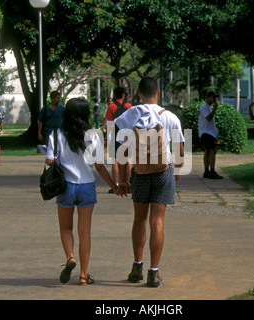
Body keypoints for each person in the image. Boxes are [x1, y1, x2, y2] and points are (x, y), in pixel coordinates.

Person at [45, 98, 126, 286]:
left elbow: (50, 161)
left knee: (66, 228)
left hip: (65, 186)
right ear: (85, 115)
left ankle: (70, 257)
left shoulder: (56, 134)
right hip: (87, 186)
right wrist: (114, 187)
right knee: (85, 232)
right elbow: (99, 166)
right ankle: (83, 275)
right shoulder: (94, 136)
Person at [115, 77, 185, 287]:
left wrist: (123, 180)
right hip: (163, 172)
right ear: (159, 92)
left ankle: (137, 267)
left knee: (139, 220)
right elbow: (181, 151)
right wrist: (177, 173)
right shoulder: (171, 117)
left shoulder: (130, 115)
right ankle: (153, 273)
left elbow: (122, 151)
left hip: (140, 172)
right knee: (157, 222)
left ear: (139, 94)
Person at [104, 87, 133, 193]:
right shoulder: (129, 106)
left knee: (115, 160)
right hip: (126, 133)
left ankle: (116, 184)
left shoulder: (111, 107)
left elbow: (109, 123)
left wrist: (107, 137)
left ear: (114, 95)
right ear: (124, 95)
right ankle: (128, 183)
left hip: (114, 133)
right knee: (128, 158)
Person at [198, 91, 223, 179]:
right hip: (206, 132)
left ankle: (207, 172)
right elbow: (208, 118)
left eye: (215, 98)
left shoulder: (207, 107)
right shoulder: (204, 106)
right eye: (213, 97)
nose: (214, 100)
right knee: (212, 150)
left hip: (208, 132)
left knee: (208, 151)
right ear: (208, 97)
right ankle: (211, 171)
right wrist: (214, 109)